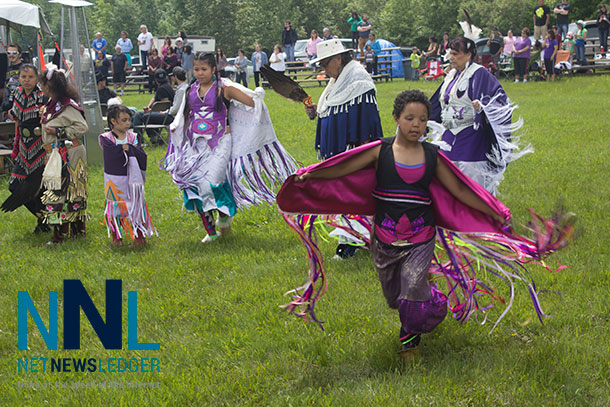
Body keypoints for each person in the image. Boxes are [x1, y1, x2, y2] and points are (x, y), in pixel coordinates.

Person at [276, 90, 572, 358]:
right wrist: (312, 175)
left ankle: (410, 344)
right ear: (396, 119)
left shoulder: (433, 156)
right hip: (385, 238)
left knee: (412, 290)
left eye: (422, 119)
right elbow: (343, 167)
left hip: (421, 236)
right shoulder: (380, 151)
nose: (416, 124)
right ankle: (434, 301)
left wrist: (492, 211)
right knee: (395, 298)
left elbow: (459, 191)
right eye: (409, 118)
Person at [163, 53, 297, 243]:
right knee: (194, 184)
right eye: (197, 69)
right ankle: (210, 231)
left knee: (213, 183)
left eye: (204, 69)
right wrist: (178, 129)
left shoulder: (223, 89)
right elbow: (185, 115)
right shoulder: (190, 90)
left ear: (213, 69)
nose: (200, 73)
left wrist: (258, 96)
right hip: (196, 144)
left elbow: (252, 103)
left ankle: (224, 217)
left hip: (220, 142)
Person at [305, 39, 383, 257]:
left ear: (339, 59)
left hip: (353, 153)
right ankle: (364, 239)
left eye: (325, 63)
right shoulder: (337, 81)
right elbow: (333, 108)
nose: (323, 69)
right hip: (339, 154)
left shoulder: (359, 79)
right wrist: (316, 111)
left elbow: (368, 122)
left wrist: (362, 153)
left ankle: (348, 245)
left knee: (352, 198)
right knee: (344, 198)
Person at [429, 36, 530, 195]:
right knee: (446, 186)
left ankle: (476, 218)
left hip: (472, 140)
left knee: (473, 189)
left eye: (456, 54)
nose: (451, 57)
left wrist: (483, 107)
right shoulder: (452, 76)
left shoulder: (480, 74)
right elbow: (435, 104)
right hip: (449, 138)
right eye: (450, 53)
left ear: (468, 55)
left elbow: (500, 101)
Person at [38, 66, 89, 244]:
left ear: (50, 87)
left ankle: (76, 231)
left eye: (43, 85)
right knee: (54, 193)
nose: (41, 88)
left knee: (74, 192)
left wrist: (59, 131)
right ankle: (58, 234)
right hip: (55, 154)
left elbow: (82, 127)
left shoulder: (68, 106)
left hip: (70, 153)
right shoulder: (51, 106)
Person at [1, 64, 49, 233]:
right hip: (23, 147)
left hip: (40, 146)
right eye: (23, 77)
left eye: (30, 77)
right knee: (15, 185)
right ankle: (42, 216)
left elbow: (49, 123)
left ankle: (44, 223)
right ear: (19, 78)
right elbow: (15, 117)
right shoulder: (17, 94)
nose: (27, 80)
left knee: (40, 186)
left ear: (37, 78)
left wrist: (49, 150)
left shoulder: (43, 97)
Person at [100, 104, 156, 246]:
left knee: (135, 206)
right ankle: (116, 237)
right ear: (113, 121)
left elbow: (140, 154)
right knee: (115, 208)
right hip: (115, 180)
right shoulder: (106, 138)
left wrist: (129, 148)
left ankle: (139, 237)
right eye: (124, 120)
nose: (128, 123)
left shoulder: (133, 137)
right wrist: (125, 149)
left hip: (133, 179)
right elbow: (110, 154)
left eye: (129, 120)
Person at [132, 69, 175, 145]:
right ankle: (153, 137)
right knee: (140, 114)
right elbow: (154, 98)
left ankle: (139, 139)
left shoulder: (162, 89)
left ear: (155, 79)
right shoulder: (167, 85)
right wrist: (148, 107)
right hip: (163, 113)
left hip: (165, 115)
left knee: (141, 116)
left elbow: (165, 105)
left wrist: (150, 111)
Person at [1, 43, 24, 119]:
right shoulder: (5, 69)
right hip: (7, 108)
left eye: (14, 53)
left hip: (21, 108)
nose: (11, 55)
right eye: (9, 53)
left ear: (20, 54)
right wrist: (4, 108)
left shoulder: (25, 68)